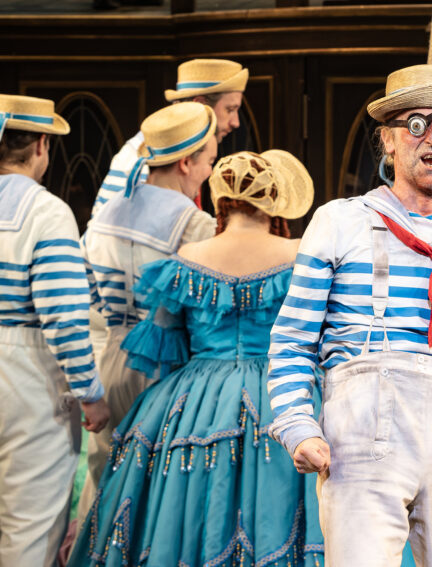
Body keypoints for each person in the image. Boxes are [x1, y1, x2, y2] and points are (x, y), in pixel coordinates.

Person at [267, 63, 432, 566]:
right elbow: (292, 340)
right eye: (415, 124)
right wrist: (298, 424)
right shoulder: (341, 223)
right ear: (388, 140)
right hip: (361, 443)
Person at [69, 149, 317, 566]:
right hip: (283, 389)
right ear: (273, 202)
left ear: (220, 201)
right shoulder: (299, 253)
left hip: (196, 396)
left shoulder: (187, 261)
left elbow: (165, 339)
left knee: (189, 505)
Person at [75, 102, 218, 523]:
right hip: (166, 368)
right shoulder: (192, 224)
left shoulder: (105, 216)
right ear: (187, 163)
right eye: (208, 161)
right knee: (157, 482)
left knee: (103, 475)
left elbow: (89, 291)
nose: (210, 171)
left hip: (112, 356)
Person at [0, 94, 109, 565]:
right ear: (42, 144)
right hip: (22, 372)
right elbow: (64, 317)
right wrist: (89, 392)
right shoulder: (45, 213)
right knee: (28, 525)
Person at [89, 58, 248, 221]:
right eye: (230, 109)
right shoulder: (149, 158)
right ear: (199, 104)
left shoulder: (176, 149)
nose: (235, 122)